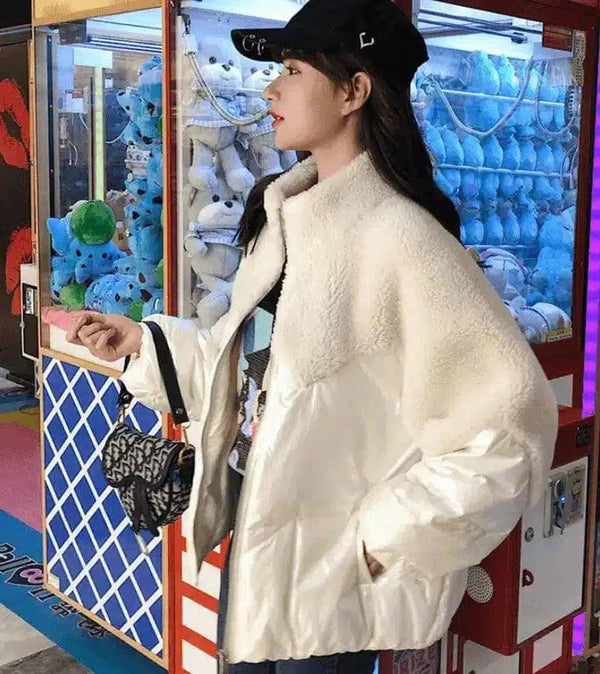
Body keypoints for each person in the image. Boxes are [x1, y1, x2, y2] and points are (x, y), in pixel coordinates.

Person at [65, 0, 558, 671]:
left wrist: (383, 536)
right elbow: (263, 380)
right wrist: (142, 345)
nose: (271, 89)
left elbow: (513, 428)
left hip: (332, 577)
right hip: (259, 542)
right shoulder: (284, 221)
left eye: (293, 70)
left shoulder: (403, 238)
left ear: (354, 91)